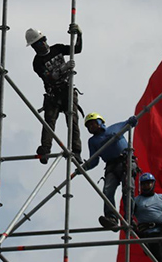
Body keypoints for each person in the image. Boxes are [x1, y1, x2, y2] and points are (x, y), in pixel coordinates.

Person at [26, 24, 83, 164]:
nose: (43, 44)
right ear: (34, 47)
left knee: (73, 120)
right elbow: (49, 77)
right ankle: (45, 150)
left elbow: (77, 49)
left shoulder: (57, 49)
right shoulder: (37, 63)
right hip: (53, 95)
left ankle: (76, 151)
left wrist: (79, 35)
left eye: (43, 40)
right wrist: (64, 68)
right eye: (38, 43)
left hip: (67, 90)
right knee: (49, 123)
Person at [81, 112, 139, 229]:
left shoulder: (114, 128)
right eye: (89, 126)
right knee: (107, 191)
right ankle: (112, 218)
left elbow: (129, 123)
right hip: (111, 166)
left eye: (93, 123)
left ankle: (128, 218)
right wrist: (84, 167)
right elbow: (94, 161)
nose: (91, 127)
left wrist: (133, 120)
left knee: (128, 189)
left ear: (100, 122)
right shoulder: (93, 141)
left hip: (125, 161)